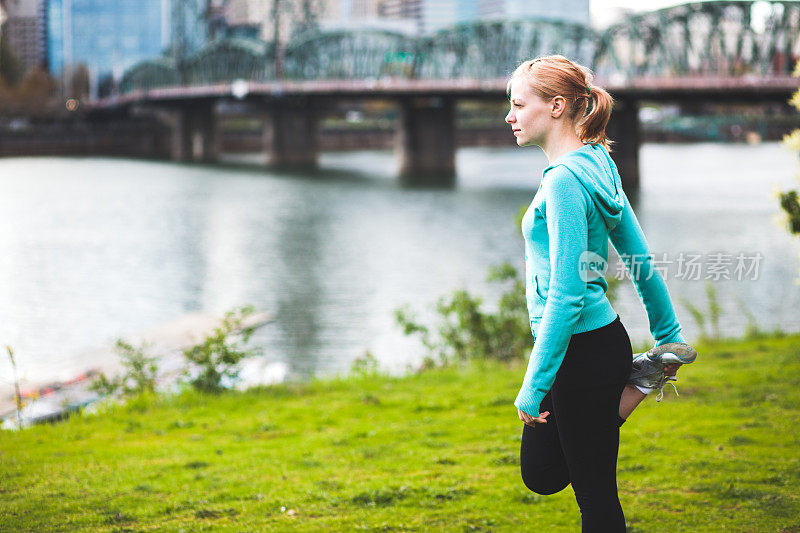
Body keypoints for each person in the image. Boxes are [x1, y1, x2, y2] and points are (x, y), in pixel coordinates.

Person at [505, 54, 698, 532]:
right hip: (590, 344)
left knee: (595, 498)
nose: (509, 116)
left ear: (556, 106)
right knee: (544, 472)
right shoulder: (597, 161)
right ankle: (641, 378)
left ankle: (637, 381)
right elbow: (639, 258)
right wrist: (668, 336)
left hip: (580, 348)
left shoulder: (566, 180)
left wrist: (532, 385)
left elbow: (568, 294)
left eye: (517, 104)